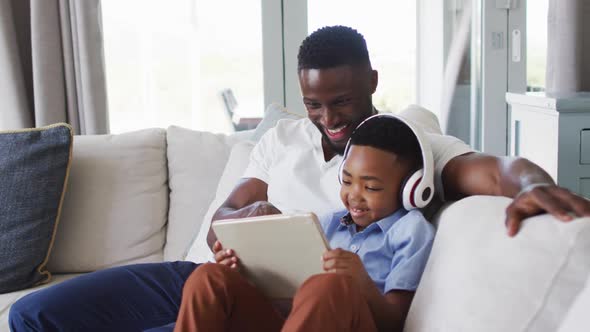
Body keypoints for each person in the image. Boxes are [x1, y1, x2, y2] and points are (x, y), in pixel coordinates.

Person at [9, 25, 590, 332]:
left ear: (372, 81)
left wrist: (531, 181)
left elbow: (493, 167)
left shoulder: (406, 145)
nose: (329, 117)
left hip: (307, 307)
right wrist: (240, 223)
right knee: (31, 316)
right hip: (214, 279)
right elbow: (222, 218)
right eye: (314, 103)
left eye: (342, 100)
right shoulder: (281, 139)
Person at [173, 114, 436, 332]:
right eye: (346, 181)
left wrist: (361, 283)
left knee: (330, 286)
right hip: (295, 322)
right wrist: (244, 272)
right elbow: (289, 301)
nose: (354, 195)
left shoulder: (411, 231)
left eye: (371, 187)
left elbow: (395, 323)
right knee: (209, 277)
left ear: (409, 188)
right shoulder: (326, 223)